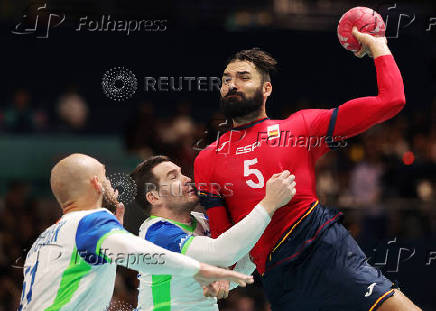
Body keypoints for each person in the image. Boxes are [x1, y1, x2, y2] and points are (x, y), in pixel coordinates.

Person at [194, 28, 421, 310]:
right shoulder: (207, 158)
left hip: (325, 251)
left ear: (267, 89)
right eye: (226, 79)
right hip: (278, 276)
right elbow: (221, 235)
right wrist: (218, 272)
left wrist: (378, 46)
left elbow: (392, 100)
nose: (232, 84)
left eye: (243, 77)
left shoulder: (300, 127)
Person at [18, 153, 253, 311]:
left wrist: (116, 237)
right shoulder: (92, 222)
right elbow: (145, 257)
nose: (113, 185)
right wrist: (199, 270)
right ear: (96, 184)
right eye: (106, 177)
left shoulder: (45, 239)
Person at [129, 155, 296, 311]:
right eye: (173, 177)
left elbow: (232, 265)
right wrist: (268, 204)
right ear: (154, 197)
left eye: (182, 173)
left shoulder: (202, 221)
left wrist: (237, 265)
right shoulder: (158, 234)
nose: (187, 179)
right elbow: (223, 252)